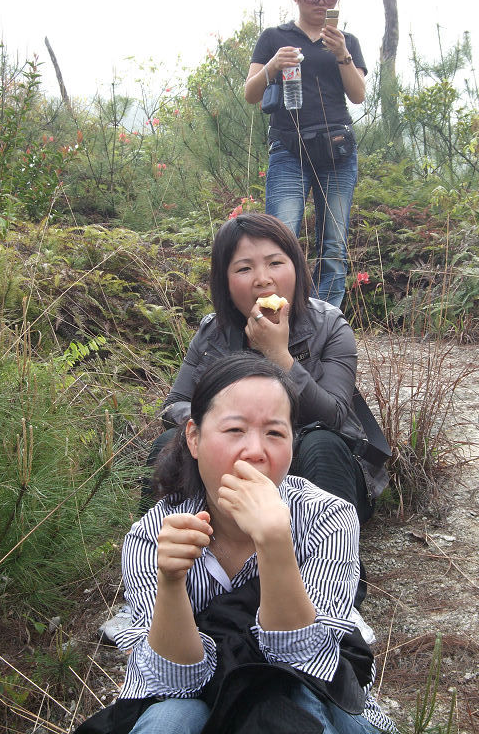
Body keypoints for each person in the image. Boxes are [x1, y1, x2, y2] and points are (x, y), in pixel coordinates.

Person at [100, 213, 390, 646]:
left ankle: (343, 600)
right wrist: (221, 426)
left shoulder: (331, 326)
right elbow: (175, 405)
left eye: (275, 262)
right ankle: (155, 587)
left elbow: (333, 413)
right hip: (233, 461)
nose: (262, 280)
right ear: (225, 280)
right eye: (243, 268)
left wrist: (278, 356)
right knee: (169, 441)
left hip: (314, 450)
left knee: (322, 444)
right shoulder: (213, 333)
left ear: (296, 266)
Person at [82, 353, 398, 734]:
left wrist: (276, 544)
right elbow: (174, 684)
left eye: (275, 433)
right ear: (194, 438)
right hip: (193, 694)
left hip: (302, 688)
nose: (255, 452)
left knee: (297, 710)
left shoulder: (327, 518)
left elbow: (307, 667)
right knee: (170, 719)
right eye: (234, 430)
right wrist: (170, 582)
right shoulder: (154, 535)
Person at [244, 0, 367, 308]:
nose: (322, 2)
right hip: (288, 149)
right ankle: (281, 317)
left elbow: (357, 94)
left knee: (334, 246)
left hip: (337, 151)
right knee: (279, 240)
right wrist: (272, 66)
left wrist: (341, 53)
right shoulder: (274, 38)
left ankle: (325, 325)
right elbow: (250, 93)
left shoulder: (347, 42)